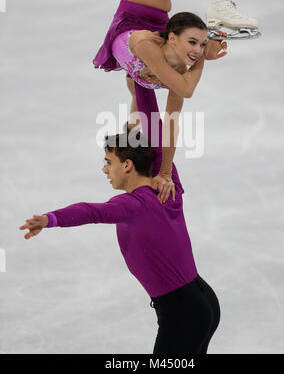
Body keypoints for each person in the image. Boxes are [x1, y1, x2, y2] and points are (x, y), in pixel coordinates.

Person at [19, 81, 221, 355]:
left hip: (181, 312)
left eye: (107, 162)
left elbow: (91, 212)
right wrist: (139, 84)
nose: (104, 169)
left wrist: (49, 219)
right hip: (201, 301)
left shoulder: (132, 204)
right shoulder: (167, 183)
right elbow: (149, 128)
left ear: (126, 165)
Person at [92, 0, 259, 201]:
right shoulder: (157, 56)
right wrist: (203, 53)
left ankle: (220, 1)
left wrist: (165, 170)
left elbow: (171, 113)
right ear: (172, 36)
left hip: (140, 8)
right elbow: (177, 104)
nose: (196, 51)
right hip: (147, 20)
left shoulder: (157, 61)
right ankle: (218, 7)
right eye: (193, 43)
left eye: (199, 44)